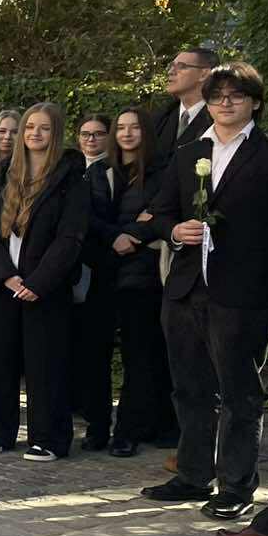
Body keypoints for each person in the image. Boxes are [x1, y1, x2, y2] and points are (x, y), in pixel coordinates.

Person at [143, 62, 268, 527]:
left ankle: (236, 488)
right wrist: (173, 230)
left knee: (239, 394)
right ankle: (193, 475)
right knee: (189, 388)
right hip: (185, 287)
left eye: (236, 95)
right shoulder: (189, 153)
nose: (225, 103)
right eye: (217, 95)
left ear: (255, 103)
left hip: (243, 293)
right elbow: (159, 211)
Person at [0, 102, 88, 460]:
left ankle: (48, 438)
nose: (35, 134)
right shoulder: (2, 172)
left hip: (45, 289)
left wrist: (38, 282)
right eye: (30, 127)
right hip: (1, 285)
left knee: (45, 364)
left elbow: (70, 237)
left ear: (56, 134)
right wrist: (5, 275)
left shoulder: (71, 179)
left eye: (44, 128)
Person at [108, 106, 174, 458]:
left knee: (145, 353)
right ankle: (149, 425)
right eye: (121, 127)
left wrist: (133, 234)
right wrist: (124, 232)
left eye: (134, 127)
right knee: (137, 353)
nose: (127, 133)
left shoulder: (162, 172)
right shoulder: (107, 172)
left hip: (145, 274)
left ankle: (130, 430)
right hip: (110, 270)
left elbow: (161, 214)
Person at [71, 113, 121, 451]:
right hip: (67, 269)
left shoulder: (115, 172)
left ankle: (98, 425)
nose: (91, 139)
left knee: (95, 352)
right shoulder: (70, 169)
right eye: (85, 134)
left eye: (98, 134)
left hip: (101, 271)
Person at [152, 47, 217, 166]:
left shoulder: (219, 120)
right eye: (171, 66)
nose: (171, 72)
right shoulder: (159, 119)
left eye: (181, 66)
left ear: (204, 74)